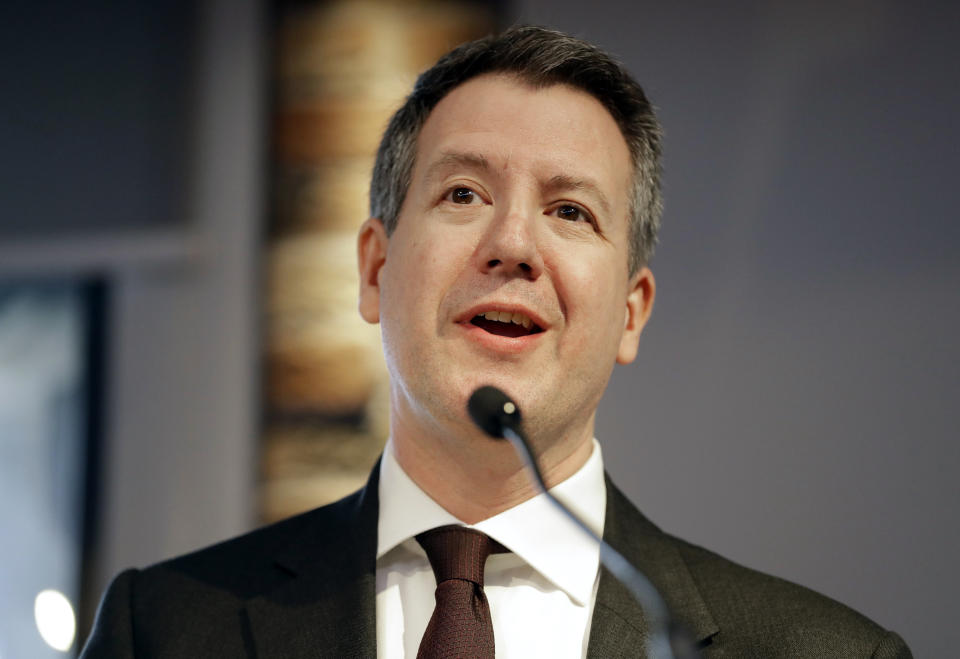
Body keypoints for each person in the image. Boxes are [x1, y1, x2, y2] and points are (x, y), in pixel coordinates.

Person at [80, 26, 911, 658]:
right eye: (465, 192)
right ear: (374, 270)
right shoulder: (162, 626)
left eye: (570, 211)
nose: (513, 242)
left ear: (630, 312)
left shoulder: (829, 650)